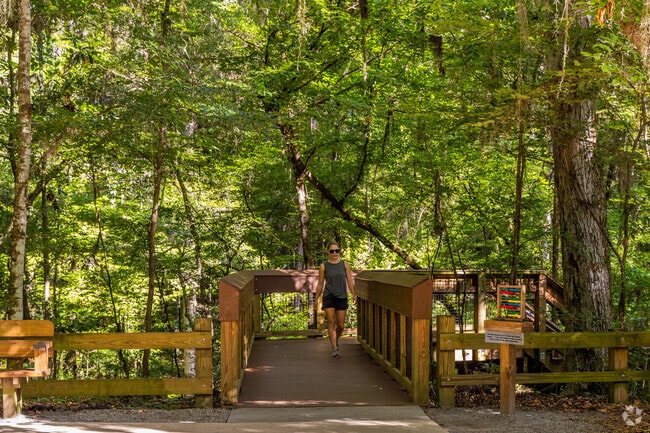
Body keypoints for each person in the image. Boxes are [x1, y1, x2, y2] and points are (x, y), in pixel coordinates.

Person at [315, 241, 356, 357]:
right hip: (329, 296)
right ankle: (334, 347)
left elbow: (349, 280)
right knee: (331, 322)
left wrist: (354, 294)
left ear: (339, 251)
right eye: (332, 251)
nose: (334, 253)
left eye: (336, 251)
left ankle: (335, 339)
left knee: (341, 325)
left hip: (342, 296)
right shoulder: (324, 266)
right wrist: (316, 298)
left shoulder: (344, 264)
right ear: (328, 252)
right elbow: (320, 283)